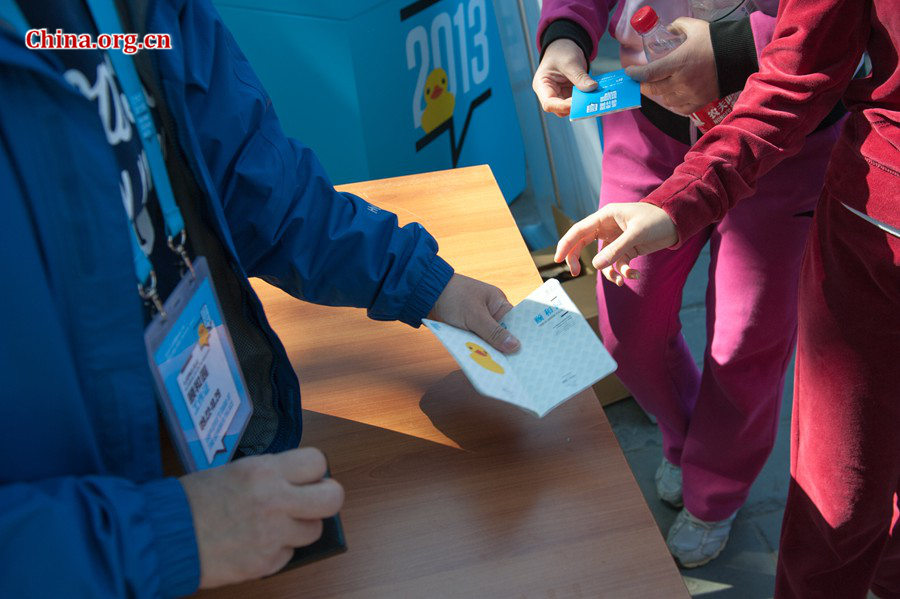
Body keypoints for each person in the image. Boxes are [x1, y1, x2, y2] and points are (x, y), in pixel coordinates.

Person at [0, 0, 521, 596]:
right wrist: (162, 537)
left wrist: (422, 281)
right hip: (111, 549)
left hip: (205, 472)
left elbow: (253, 182)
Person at [555, 0, 899, 595]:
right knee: (625, 326)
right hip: (657, 126)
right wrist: (565, 32)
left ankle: (716, 489)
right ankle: (686, 439)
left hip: (790, 155)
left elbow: (827, 46)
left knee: (746, 342)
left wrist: (739, 45)